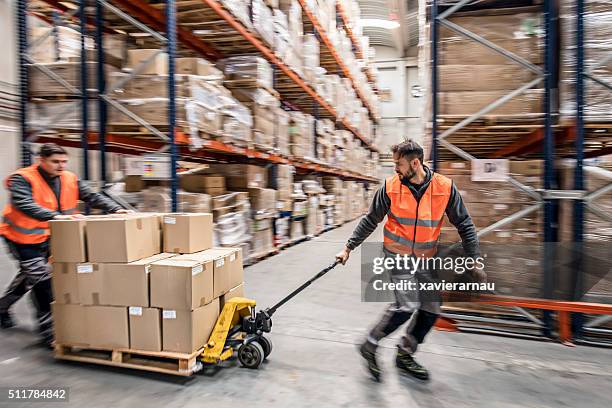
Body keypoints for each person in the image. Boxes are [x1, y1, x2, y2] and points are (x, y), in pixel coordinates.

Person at [335, 139, 483, 382]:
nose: (395, 169)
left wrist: (475, 259)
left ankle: (405, 353)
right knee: (406, 306)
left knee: (431, 308)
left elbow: (465, 224)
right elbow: (371, 219)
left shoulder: (444, 187)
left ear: (415, 163)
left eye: (399, 164)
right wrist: (348, 247)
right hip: (397, 255)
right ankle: (370, 344)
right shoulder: (391, 187)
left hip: (426, 256)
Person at [0, 143, 129, 347]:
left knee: (28, 278)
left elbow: (91, 196)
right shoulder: (23, 178)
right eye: (55, 162)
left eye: (64, 162)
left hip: (50, 237)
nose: (61, 166)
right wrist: (56, 216)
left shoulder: (69, 178)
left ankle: (2, 308)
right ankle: (49, 332)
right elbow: (24, 204)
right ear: (41, 160)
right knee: (43, 282)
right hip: (22, 239)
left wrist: (115, 209)